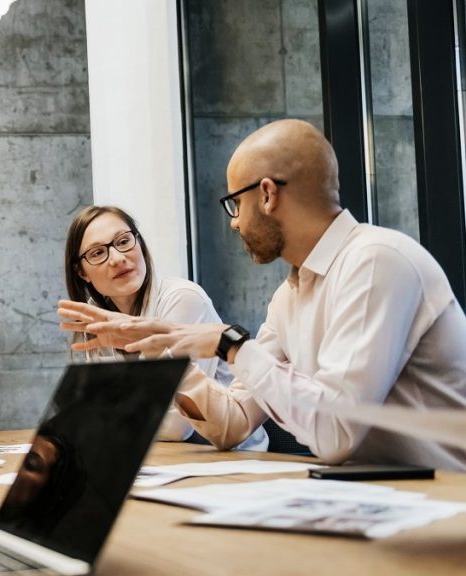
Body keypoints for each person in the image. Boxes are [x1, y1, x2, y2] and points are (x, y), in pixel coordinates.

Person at [63, 119, 466, 470]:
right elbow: (231, 425)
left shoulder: (376, 261)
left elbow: (336, 432)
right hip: (377, 499)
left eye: (235, 204)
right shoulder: (288, 296)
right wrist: (156, 348)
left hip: (444, 504)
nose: (234, 223)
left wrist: (231, 344)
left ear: (268, 194)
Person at [60, 205, 267, 450]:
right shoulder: (92, 318)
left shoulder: (183, 299)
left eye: (124, 241)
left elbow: (177, 426)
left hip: (228, 458)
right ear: (81, 272)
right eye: (97, 253)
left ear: (139, 242)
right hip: (154, 459)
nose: (117, 258)